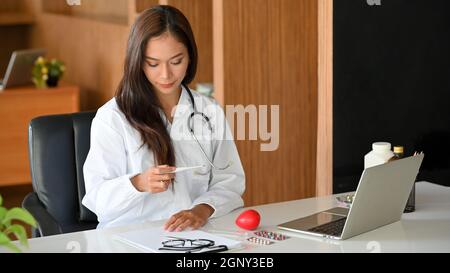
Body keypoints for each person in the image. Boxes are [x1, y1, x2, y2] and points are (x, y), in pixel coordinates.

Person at [82, 5, 245, 231]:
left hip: (194, 236)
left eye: (176, 61)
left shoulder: (209, 111)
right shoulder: (112, 118)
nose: (166, 75)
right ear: (138, 61)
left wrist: (202, 209)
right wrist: (138, 183)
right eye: (153, 64)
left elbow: (229, 180)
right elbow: (98, 199)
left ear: (190, 57)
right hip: (130, 237)